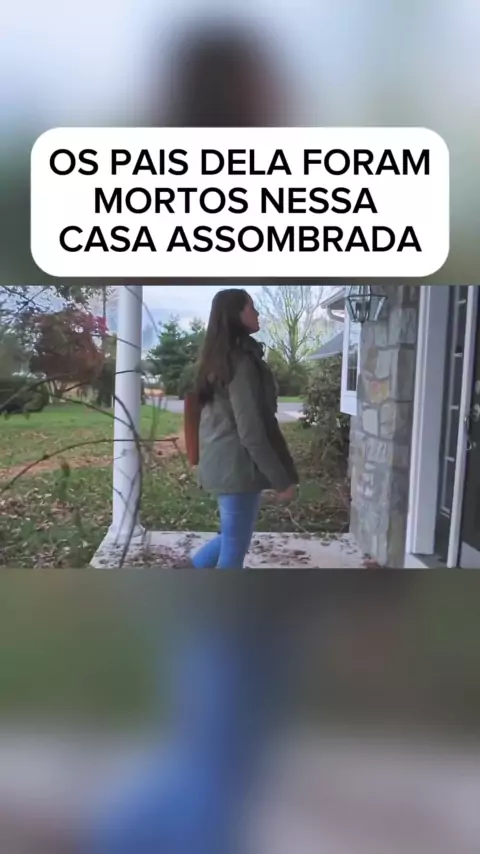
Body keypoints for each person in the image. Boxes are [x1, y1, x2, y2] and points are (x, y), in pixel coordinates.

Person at [191, 288, 299, 570]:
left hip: (225, 464)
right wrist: (281, 480)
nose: (258, 312)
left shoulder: (222, 359)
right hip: (236, 467)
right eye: (252, 307)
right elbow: (252, 430)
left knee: (231, 538)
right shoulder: (240, 363)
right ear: (235, 315)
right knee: (233, 551)